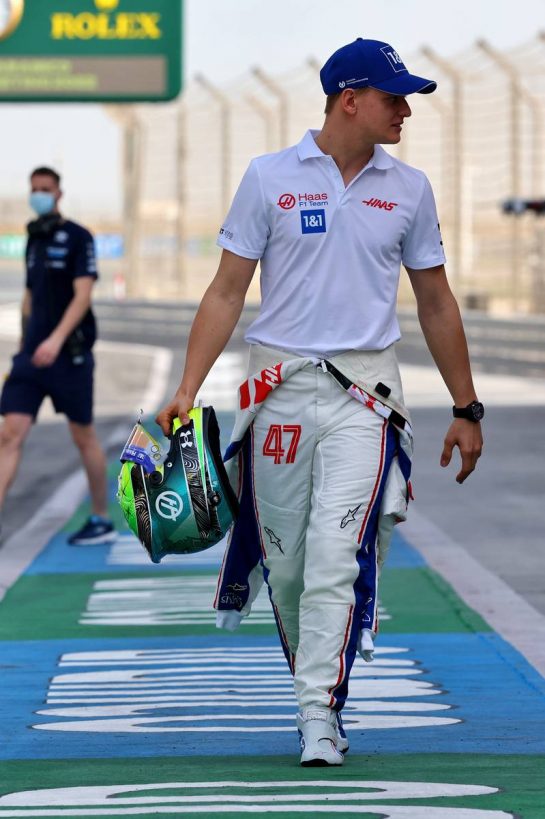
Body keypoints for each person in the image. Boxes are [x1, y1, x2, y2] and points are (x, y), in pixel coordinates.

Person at [156, 38, 483, 766]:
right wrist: (185, 387)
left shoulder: (409, 188)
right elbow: (225, 289)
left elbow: (433, 301)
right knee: (289, 566)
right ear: (348, 100)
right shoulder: (268, 177)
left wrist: (467, 407)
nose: (405, 110)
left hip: (364, 396)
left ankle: (317, 714)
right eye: (393, 97)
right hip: (273, 391)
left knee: (338, 552)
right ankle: (318, 694)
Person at [0, 166, 115, 545]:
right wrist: (24, 347)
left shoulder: (78, 237)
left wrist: (55, 340)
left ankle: (100, 517)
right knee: (8, 435)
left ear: (59, 194)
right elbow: (30, 297)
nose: (40, 196)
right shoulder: (34, 239)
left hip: (70, 356)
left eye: (46, 190)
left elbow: (83, 296)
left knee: (83, 436)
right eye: (34, 189)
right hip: (31, 358)